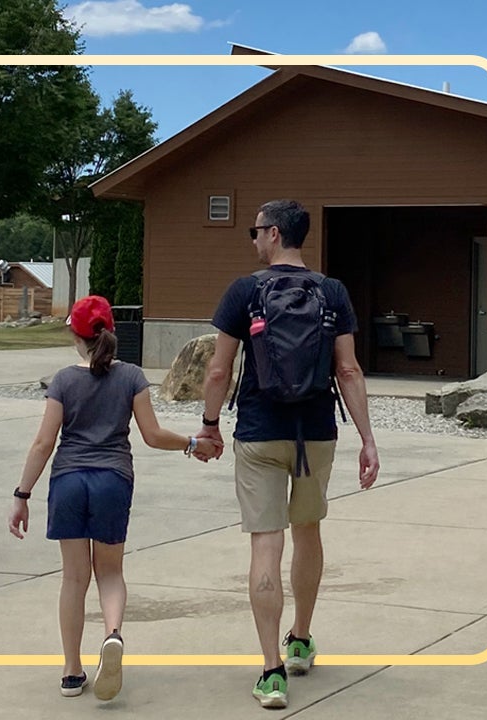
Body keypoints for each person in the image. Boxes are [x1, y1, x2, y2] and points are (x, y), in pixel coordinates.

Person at [197, 199, 380, 710]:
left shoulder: (244, 291)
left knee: (264, 546)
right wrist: (367, 440)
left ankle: (271, 673)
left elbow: (218, 370)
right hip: (317, 432)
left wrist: (210, 426)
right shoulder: (334, 292)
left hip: (259, 432)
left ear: (274, 234)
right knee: (308, 532)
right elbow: (348, 371)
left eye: (255, 231)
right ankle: (300, 639)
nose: (253, 240)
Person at [7, 294, 221, 701]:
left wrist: (22, 494)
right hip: (112, 481)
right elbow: (153, 435)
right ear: (111, 332)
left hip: (69, 482)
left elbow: (43, 443)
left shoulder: (64, 381)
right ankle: (113, 635)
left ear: (75, 334)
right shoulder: (132, 378)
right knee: (109, 572)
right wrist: (193, 442)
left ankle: (72, 672)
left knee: (73, 577)